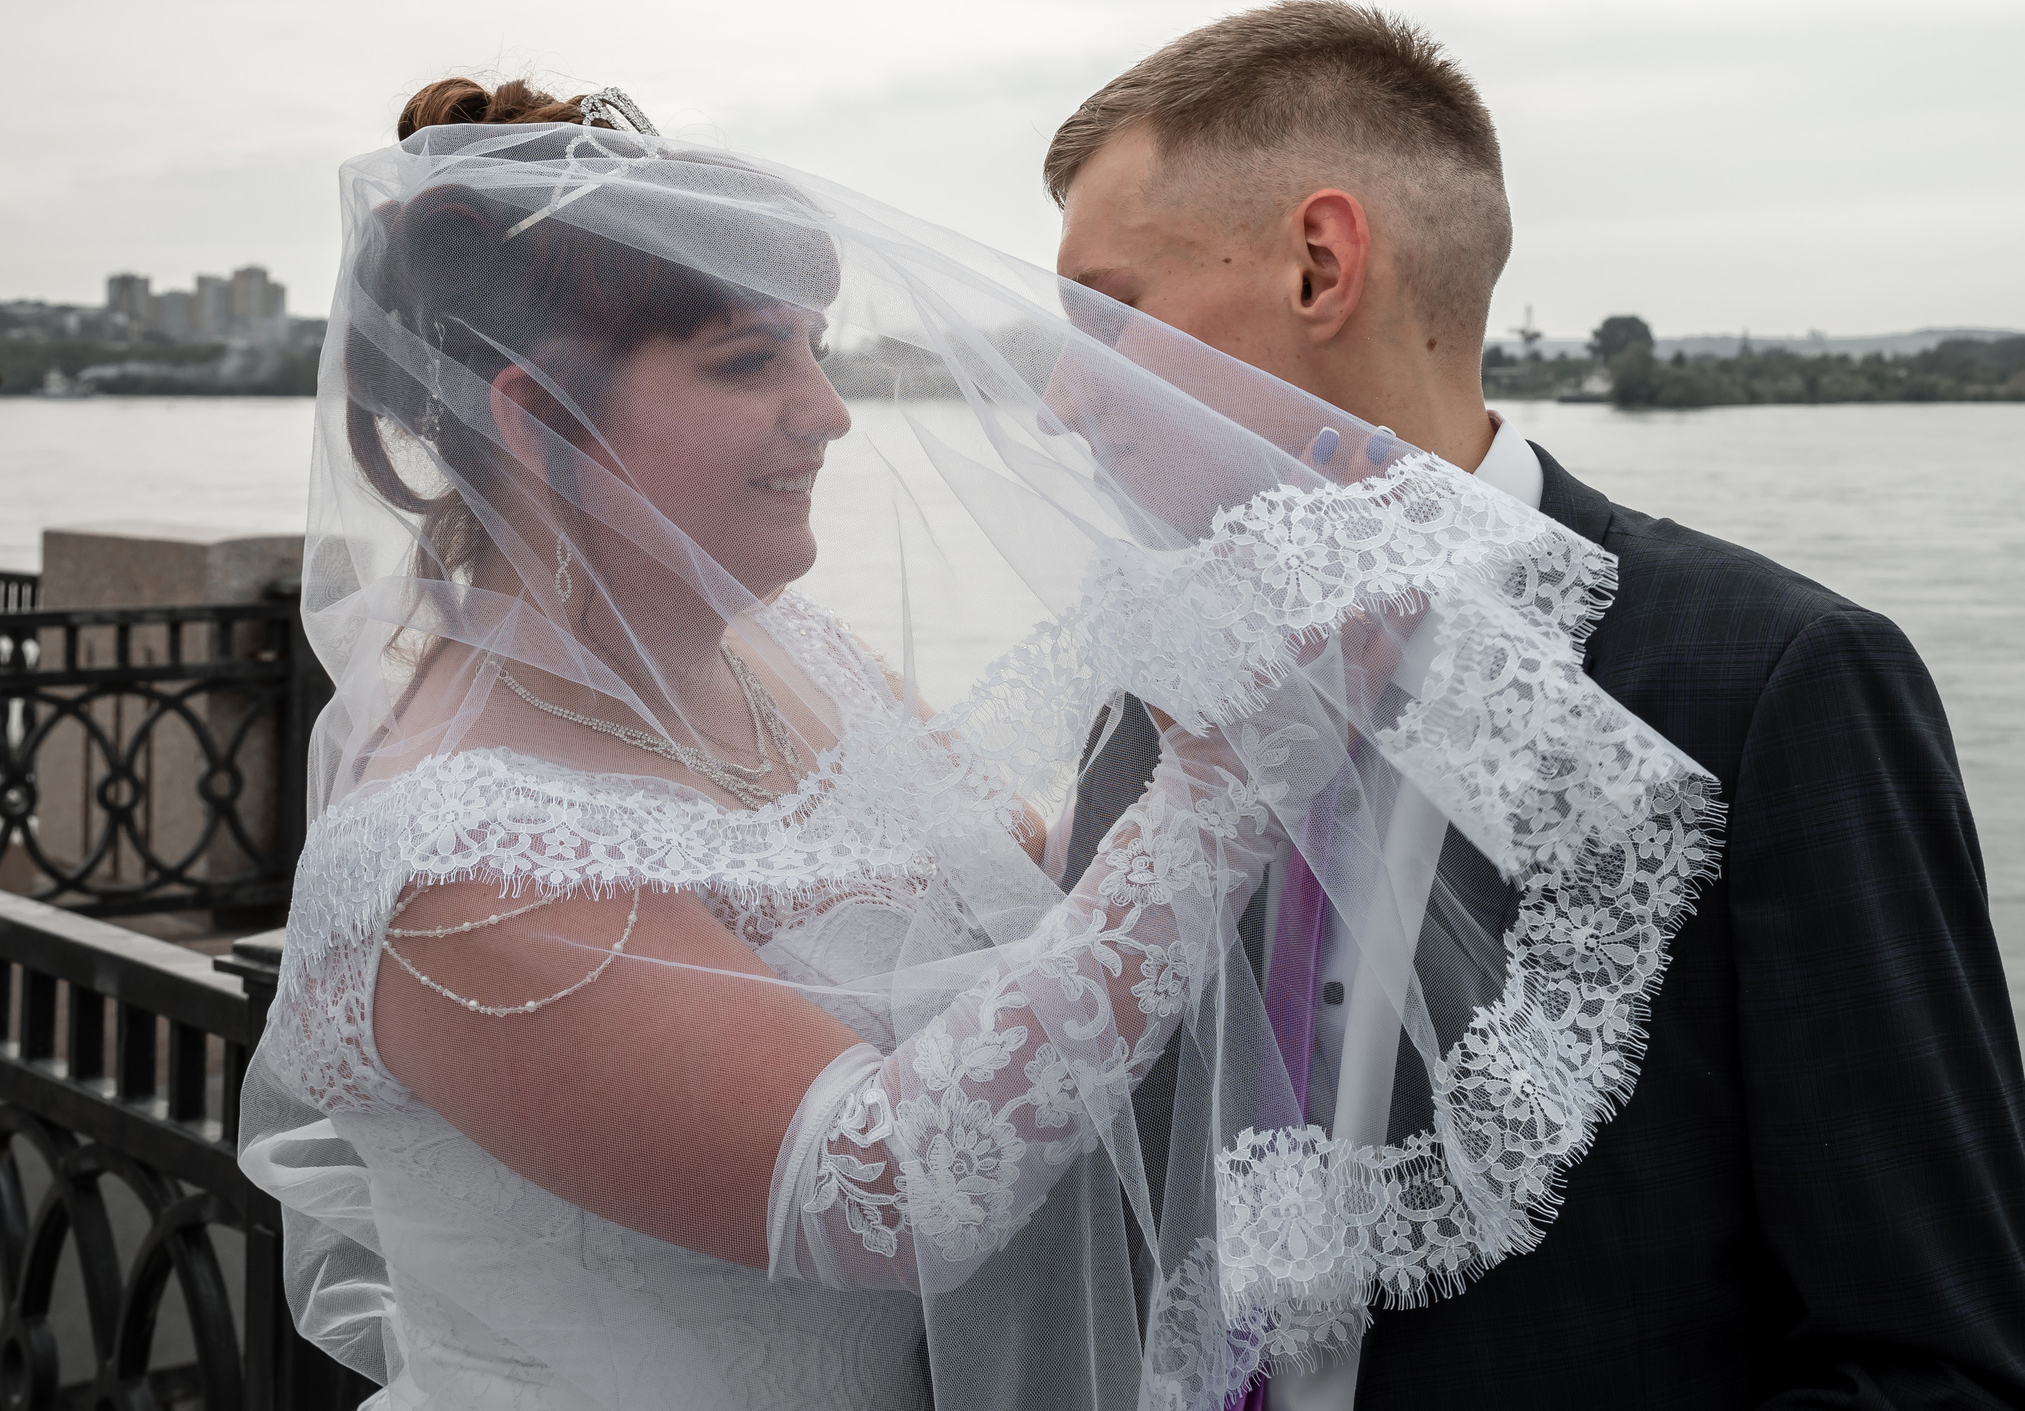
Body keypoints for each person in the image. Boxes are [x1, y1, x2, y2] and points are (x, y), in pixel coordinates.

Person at [241, 77, 1728, 1409]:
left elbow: (1032, 912)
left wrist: (1210, 691)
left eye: (818, 350)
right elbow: (875, 1190)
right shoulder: (452, 858)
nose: (827, 412)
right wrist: (1225, 783)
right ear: (535, 416)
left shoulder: (791, 660)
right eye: (749, 362)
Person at [1047, 0, 2025, 1411]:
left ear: (1319, 264)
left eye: (1106, 314)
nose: (1059, 396)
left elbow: (1946, 1373)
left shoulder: (1769, 684)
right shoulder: (1146, 709)